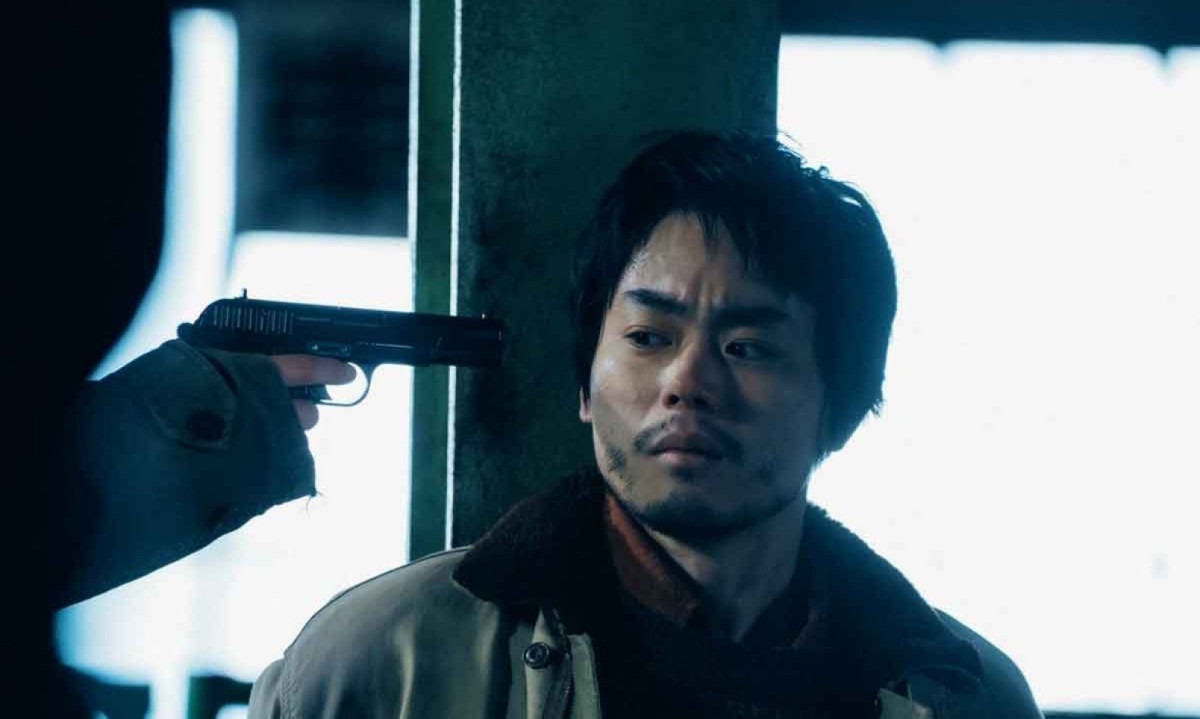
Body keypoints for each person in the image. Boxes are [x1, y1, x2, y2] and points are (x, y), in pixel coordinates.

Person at [245, 131, 1044, 718]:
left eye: (748, 346)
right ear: (586, 382)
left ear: (841, 403)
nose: (686, 382)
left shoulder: (966, 696)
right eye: (648, 336)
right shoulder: (382, 664)